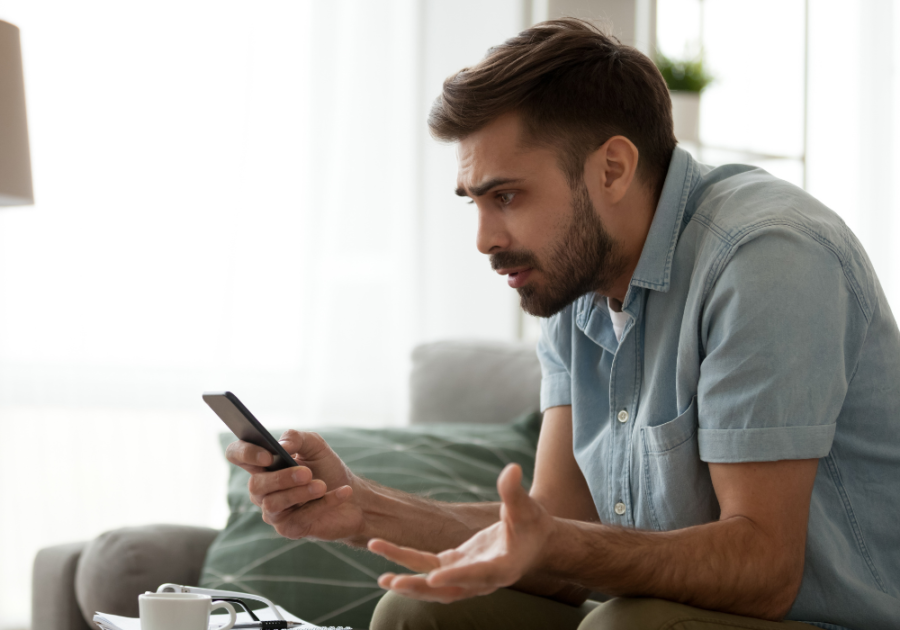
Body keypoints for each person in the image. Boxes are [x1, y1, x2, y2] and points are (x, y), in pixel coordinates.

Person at [226, 18, 900, 630]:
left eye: (508, 196)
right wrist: (359, 507)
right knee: (418, 613)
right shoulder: (573, 280)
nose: (486, 239)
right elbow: (553, 532)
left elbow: (763, 570)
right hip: (677, 613)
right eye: (476, 202)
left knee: (624, 627)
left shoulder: (766, 257)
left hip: (829, 619)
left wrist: (560, 543)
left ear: (612, 168)